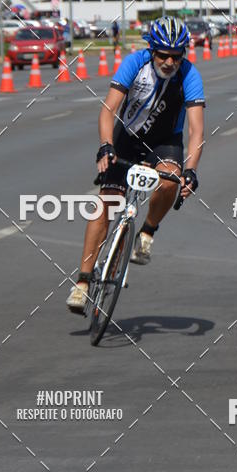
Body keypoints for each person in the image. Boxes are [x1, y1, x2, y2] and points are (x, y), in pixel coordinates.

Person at [67, 16, 205, 313]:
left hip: (166, 141)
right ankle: (82, 281)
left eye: (176, 56)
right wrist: (106, 144)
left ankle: (147, 232)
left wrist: (191, 169)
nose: (169, 61)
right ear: (151, 50)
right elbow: (108, 110)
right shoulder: (134, 62)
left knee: (170, 179)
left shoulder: (190, 74)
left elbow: (196, 131)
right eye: (163, 55)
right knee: (108, 203)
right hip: (127, 137)